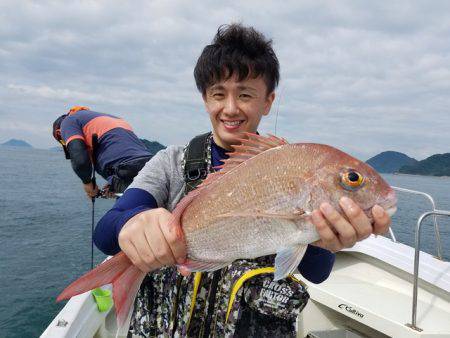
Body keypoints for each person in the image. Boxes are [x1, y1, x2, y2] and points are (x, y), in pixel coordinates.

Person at [94, 24, 391, 337]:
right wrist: (133, 224)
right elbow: (104, 234)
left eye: (246, 94)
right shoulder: (171, 163)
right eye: (218, 94)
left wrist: (320, 240)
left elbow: (317, 273)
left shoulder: (289, 166)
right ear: (205, 99)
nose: (231, 108)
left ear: (268, 101)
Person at [52, 106, 153, 197]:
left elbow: (80, 161)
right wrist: (113, 183)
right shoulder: (113, 118)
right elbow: (131, 156)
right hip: (153, 166)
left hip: (126, 172)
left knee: (125, 216)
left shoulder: (68, 121)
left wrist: (88, 183)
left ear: (59, 133)